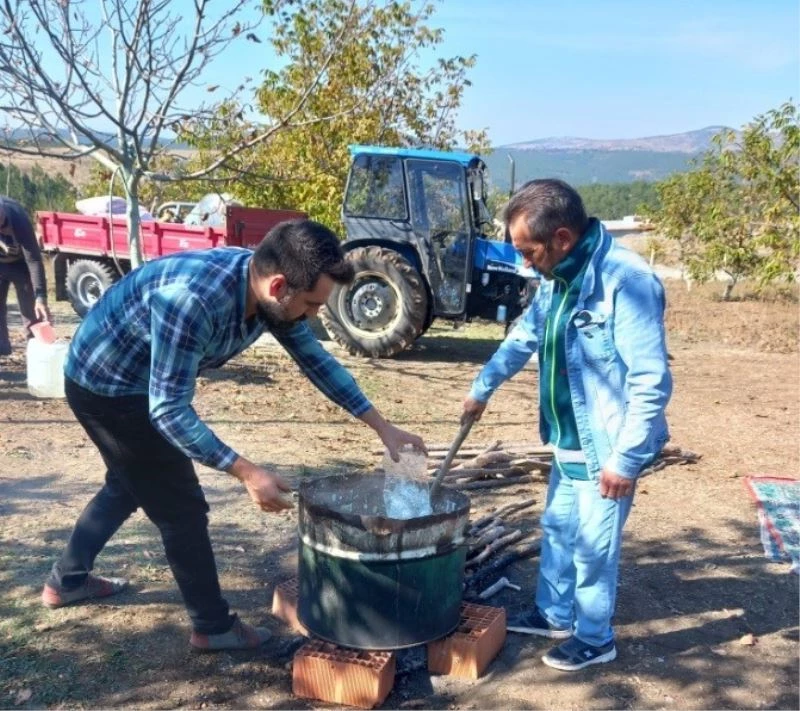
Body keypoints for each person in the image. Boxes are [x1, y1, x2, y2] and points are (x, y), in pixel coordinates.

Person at [42, 219, 426, 652]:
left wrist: (382, 426)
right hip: (106, 385)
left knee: (129, 482)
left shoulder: (269, 295)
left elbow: (316, 361)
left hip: (135, 380)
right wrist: (246, 472)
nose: (315, 315)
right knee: (180, 506)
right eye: (313, 304)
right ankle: (212, 627)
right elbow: (167, 409)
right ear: (279, 286)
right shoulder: (193, 301)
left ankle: (67, 581)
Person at [462, 180, 672, 671]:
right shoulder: (557, 277)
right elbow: (524, 337)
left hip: (607, 447)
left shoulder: (627, 281)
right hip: (567, 438)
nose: (524, 262)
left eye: (527, 251)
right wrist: (482, 386)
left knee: (593, 548)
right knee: (557, 527)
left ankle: (596, 637)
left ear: (561, 237)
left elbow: (650, 381)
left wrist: (625, 460)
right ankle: (554, 613)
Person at [0, 196, 51, 356]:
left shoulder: (17, 217)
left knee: (31, 310)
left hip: (21, 265)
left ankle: (35, 350)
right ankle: (2, 349)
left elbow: (34, 259)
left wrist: (41, 297)